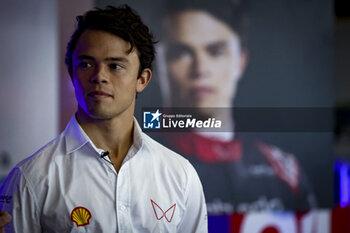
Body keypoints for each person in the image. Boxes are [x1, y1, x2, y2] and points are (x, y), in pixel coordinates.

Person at [0, 5, 207, 232]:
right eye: (86, 64)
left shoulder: (180, 174)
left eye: (115, 66)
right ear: (72, 73)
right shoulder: (31, 178)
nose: (99, 76)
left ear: (143, 79)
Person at [154, 0, 317, 214]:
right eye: (181, 53)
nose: (201, 69)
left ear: (240, 61)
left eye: (215, 51)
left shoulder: (285, 173)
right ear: (157, 64)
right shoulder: (131, 165)